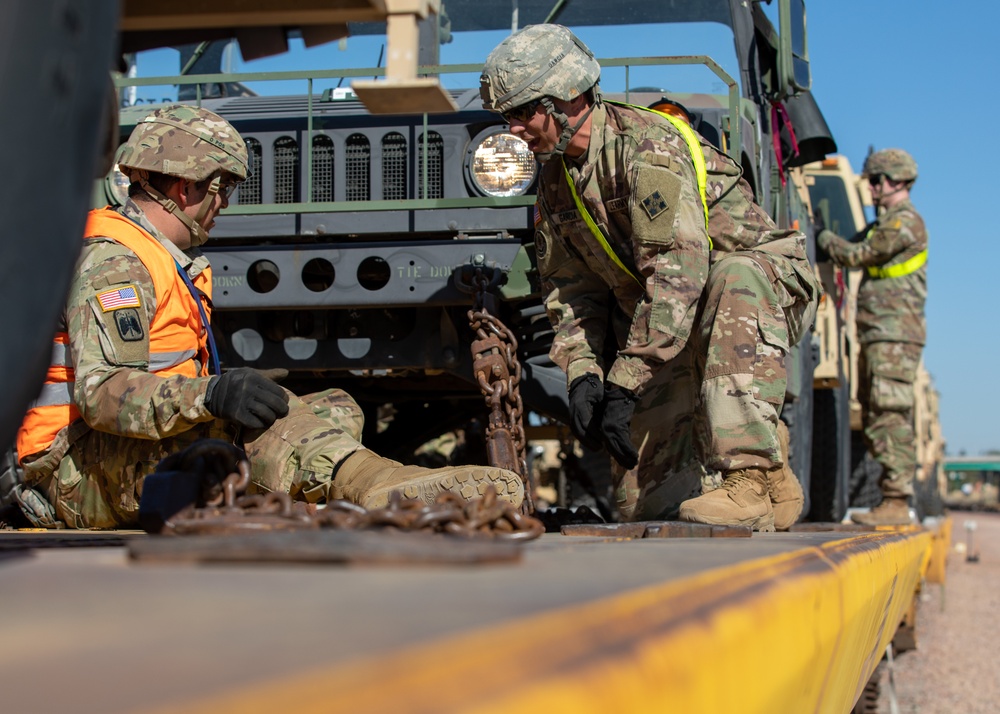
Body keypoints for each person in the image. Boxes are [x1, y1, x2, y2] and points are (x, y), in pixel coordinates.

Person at [14, 104, 523, 529]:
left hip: (119, 453)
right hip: (71, 474)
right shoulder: (115, 261)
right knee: (261, 430)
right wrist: (211, 395)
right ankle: (385, 488)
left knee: (332, 408)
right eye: (223, 189)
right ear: (188, 188)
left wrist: (217, 394)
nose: (224, 205)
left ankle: (368, 489)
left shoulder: (158, 255)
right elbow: (103, 395)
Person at [481, 24, 820, 531]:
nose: (516, 130)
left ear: (569, 98)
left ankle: (750, 475)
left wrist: (627, 378)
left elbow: (678, 275)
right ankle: (773, 468)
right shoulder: (555, 183)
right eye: (508, 117)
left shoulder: (647, 149)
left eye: (525, 112)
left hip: (754, 290)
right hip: (667, 316)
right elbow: (570, 290)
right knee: (648, 509)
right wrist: (584, 373)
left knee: (734, 275)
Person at [816, 149, 927, 525]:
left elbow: (859, 254)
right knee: (876, 409)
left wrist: (824, 237)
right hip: (881, 332)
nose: (872, 189)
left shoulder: (904, 223)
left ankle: (897, 500)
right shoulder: (887, 222)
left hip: (894, 335)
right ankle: (891, 497)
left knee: (888, 413)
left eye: (876, 181)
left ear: (894, 181)